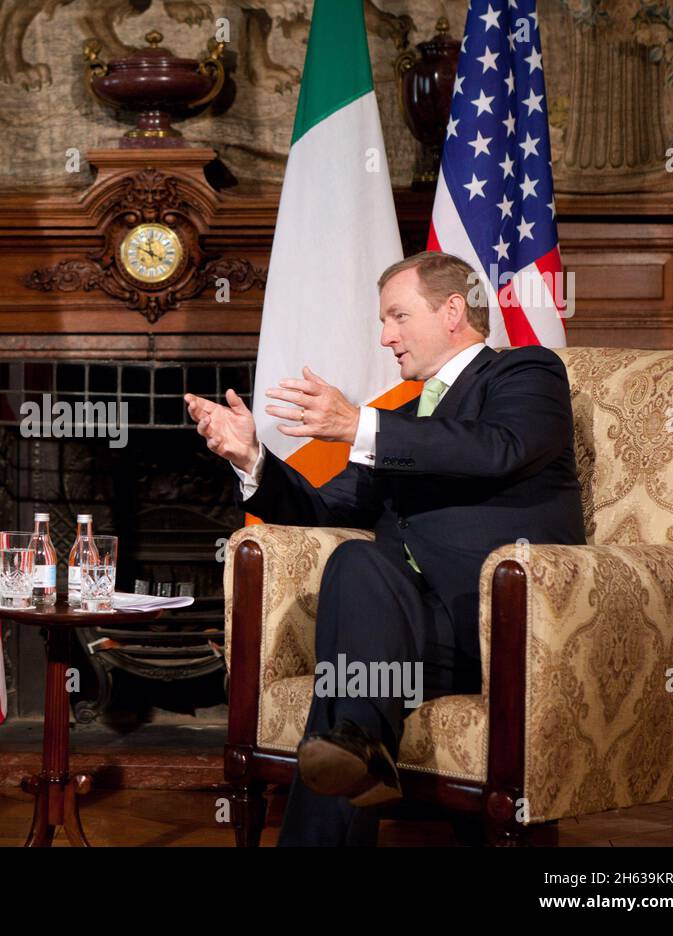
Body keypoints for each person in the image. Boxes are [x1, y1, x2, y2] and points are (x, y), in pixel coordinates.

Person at [186, 250, 585, 845]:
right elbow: (326, 510)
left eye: (397, 317)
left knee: (342, 687)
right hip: (405, 638)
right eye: (382, 321)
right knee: (355, 560)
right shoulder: (401, 419)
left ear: (453, 310)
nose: (384, 337)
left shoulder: (526, 373)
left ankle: (354, 735)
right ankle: (359, 743)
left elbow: (498, 447)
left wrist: (360, 426)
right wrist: (251, 459)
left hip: (502, 627)